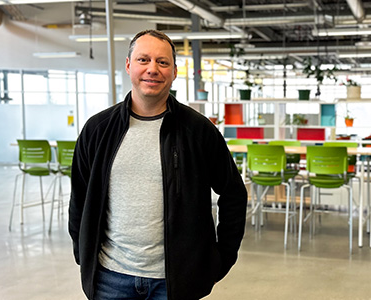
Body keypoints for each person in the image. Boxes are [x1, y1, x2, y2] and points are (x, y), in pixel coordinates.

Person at [69, 29, 248, 300]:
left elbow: (233, 193)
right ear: (129, 65)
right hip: (110, 278)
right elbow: (80, 197)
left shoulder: (198, 131)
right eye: (143, 60)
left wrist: (220, 258)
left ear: (174, 71)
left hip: (176, 280)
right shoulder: (98, 129)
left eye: (162, 62)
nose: (152, 69)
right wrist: (83, 253)